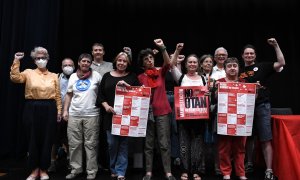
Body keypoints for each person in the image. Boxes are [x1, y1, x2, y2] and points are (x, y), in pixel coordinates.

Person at [10, 47, 62, 180]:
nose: (41, 59)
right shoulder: (28, 73)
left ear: (48, 59)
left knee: (47, 139)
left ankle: (44, 170)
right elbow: (15, 78)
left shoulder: (54, 75)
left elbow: (57, 96)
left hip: (50, 108)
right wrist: (16, 60)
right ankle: (34, 170)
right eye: (38, 58)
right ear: (34, 60)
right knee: (32, 138)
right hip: (31, 106)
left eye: (44, 57)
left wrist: (59, 111)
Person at [239, 38, 285, 180]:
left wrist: (276, 45)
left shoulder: (263, 66)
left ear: (255, 55)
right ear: (242, 56)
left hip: (261, 105)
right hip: (245, 107)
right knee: (248, 137)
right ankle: (249, 163)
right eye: (246, 54)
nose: (249, 56)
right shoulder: (238, 70)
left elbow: (281, 63)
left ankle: (269, 170)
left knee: (265, 138)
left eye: (251, 53)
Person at [96, 51, 140, 180]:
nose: (121, 63)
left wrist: (128, 86)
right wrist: (106, 106)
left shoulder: (132, 77)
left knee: (123, 144)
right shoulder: (107, 76)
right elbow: (100, 95)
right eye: (119, 60)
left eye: (124, 61)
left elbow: (140, 93)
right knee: (111, 144)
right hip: (110, 115)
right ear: (116, 61)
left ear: (128, 63)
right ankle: (113, 167)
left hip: (126, 116)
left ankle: (121, 171)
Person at [138, 39, 176, 180]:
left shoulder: (160, 72)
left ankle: (168, 172)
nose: (149, 60)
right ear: (142, 63)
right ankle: (148, 172)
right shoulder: (140, 77)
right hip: (147, 114)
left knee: (164, 143)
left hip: (163, 111)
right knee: (148, 144)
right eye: (146, 59)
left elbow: (168, 63)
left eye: (151, 58)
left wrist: (162, 48)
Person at [170, 43, 206, 180]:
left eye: (194, 62)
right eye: (190, 62)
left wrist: (207, 95)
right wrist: (177, 51)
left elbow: (207, 95)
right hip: (184, 117)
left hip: (200, 117)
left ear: (198, 64)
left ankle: (196, 171)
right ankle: (184, 170)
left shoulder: (203, 79)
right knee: (184, 143)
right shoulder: (181, 77)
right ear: (186, 64)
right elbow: (172, 66)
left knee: (197, 144)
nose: (192, 64)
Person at [63, 53, 102, 180]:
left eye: (88, 62)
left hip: (92, 114)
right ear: (79, 63)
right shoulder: (73, 76)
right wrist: (65, 111)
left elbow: (102, 93)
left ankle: (91, 171)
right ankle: (76, 169)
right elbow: (69, 94)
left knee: (91, 144)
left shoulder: (96, 76)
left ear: (91, 64)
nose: (85, 63)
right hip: (74, 114)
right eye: (83, 61)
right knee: (74, 144)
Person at [216, 57, 248, 180]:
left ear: (239, 68)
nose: (232, 68)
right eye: (229, 66)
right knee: (224, 148)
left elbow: (252, 101)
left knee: (240, 147)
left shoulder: (245, 83)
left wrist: (254, 92)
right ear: (225, 69)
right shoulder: (218, 82)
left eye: (235, 65)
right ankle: (226, 173)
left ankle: (241, 173)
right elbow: (213, 100)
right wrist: (215, 92)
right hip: (224, 119)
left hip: (241, 120)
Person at [48, 58, 75, 173]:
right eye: (65, 65)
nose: (68, 67)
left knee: (70, 139)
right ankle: (52, 162)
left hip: (73, 113)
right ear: (61, 67)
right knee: (54, 139)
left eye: (70, 65)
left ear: (74, 66)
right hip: (58, 112)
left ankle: (70, 161)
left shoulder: (77, 77)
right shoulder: (56, 77)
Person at [90, 42, 113, 172]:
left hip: (106, 105)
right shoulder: (87, 65)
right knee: (94, 137)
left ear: (103, 52)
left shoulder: (110, 66)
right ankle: (94, 164)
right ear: (92, 52)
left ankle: (106, 163)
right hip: (90, 105)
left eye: (100, 50)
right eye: (95, 50)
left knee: (106, 137)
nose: (98, 52)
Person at [211, 47, 228, 176]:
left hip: (232, 107)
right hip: (216, 107)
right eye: (219, 55)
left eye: (223, 55)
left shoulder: (233, 68)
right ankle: (218, 165)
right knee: (218, 139)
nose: (221, 57)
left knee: (231, 140)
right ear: (215, 57)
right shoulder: (211, 70)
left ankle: (229, 167)